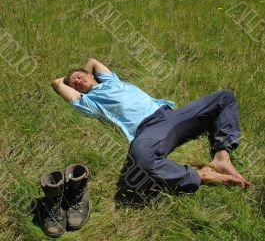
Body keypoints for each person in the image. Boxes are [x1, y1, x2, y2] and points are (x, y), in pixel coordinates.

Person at [52, 58, 250, 194]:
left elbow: (93, 61)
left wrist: (85, 72)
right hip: (148, 129)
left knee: (225, 97)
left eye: (80, 76)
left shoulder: (111, 80)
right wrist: (69, 81)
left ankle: (221, 157)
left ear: (92, 75)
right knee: (141, 157)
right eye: (74, 83)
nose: (77, 81)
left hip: (170, 114)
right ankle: (201, 175)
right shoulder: (90, 102)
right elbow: (56, 83)